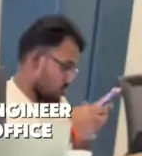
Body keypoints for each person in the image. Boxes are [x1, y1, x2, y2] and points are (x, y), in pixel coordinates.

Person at [8, 15, 112, 146]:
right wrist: (71, 130)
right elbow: (27, 155)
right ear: (36, 61)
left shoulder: (56, 100)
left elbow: (74, 155)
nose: (69, 79)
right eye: (65, 67)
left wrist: (86, 131)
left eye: (72, 70)